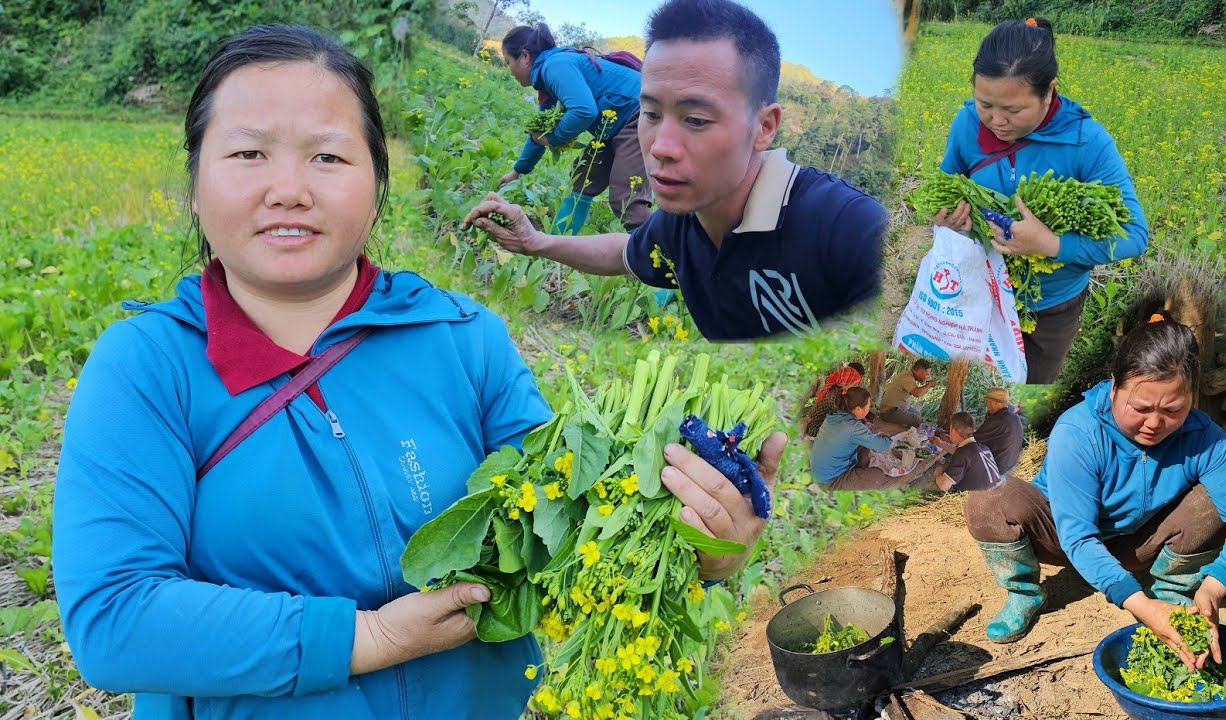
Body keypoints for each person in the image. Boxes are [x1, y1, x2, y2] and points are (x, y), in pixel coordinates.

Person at [50, 25, 786, 720]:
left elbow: (564, 521)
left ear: (377, 182)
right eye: (248, 155)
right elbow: (115, 620)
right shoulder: (148, 365)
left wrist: (702, 544)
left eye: (328, 157)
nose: (289, 189)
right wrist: (368, 638)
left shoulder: (462, 339)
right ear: (196, 179)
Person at [464, 0, 887, 341]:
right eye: (651, 113)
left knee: (625, 199)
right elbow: (625, 252)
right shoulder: (679, 224)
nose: (661, 148)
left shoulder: (849, 227)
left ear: (764, 128)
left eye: (696, 120)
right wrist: (536, 242)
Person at [963, 316, 1226, 667]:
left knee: (1210, 500)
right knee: (988, 494)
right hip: (1062, 540)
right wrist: (1140, 605)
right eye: (1140, 408)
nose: (1154, 423)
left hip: (1139, 545)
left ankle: (1174, 594)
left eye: (1173, 410)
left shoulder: (1204, 437)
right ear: (1114, 387)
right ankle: (1025, 593)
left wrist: (1215, 586)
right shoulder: (1078, 431)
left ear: (1192, 396)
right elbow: (1078, 538)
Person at [932, 18, 1148, 384]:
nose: (996, 121)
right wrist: (947, 220)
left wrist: (1051, 244)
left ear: (1048, 92)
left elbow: (1135, 234)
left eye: (1014, 111)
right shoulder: (967, 123)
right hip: (974, 290)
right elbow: (946, 186)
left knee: (1027, 392)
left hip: (1050, 308)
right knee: (967, 382)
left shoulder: (1087, 142)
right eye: (985, 104)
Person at [498, 23, 652, 234]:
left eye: (508, 62)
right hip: (613, 125)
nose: (510, 70)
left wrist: (554, 139)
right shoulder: (549, 78)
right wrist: (517, 172)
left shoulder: (555, 66)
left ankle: (658, 260)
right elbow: (539, 134)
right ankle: (555, 248)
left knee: (627, 198)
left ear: (524, 57)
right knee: (582, 179)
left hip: (641, 115)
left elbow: (584, 110)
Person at [805, 381, 894, 491]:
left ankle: (856, 471)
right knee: (877, 475)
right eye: (868, 406)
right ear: (857, 409)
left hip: (819, 470)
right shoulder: (853, 427)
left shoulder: (833, 416)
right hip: (829, 480)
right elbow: (882, 446)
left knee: (864, 443)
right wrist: (887, 437)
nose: (869, 409)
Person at [933, 387, 1024, 476]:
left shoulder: (997, 420)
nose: (987, 406)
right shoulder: (1014, 416)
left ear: (994, 403)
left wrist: (942, 443)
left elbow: (969, 443)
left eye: (988, 402)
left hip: (997, 466)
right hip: (1010, 462)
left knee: (966, 454)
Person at [933, 412, 1002, 493]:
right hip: (997, 494)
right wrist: (941, 444)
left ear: (953, 431)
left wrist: (938, 473)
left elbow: (943, 485)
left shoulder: (962, 454)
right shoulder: (983, 448)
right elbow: (965, 455)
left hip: (982, 500)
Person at [879, 359, 936, 427]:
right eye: (926, 374)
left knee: (918, 415)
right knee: (916, 420)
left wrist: (928, 385)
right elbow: (917, 393)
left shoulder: (909, 376)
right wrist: (929, 385)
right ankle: (938, 432)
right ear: (920, 371)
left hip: (899, 409)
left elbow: (918, 391)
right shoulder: (907, 377)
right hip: (889, 412)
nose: (927, 377)